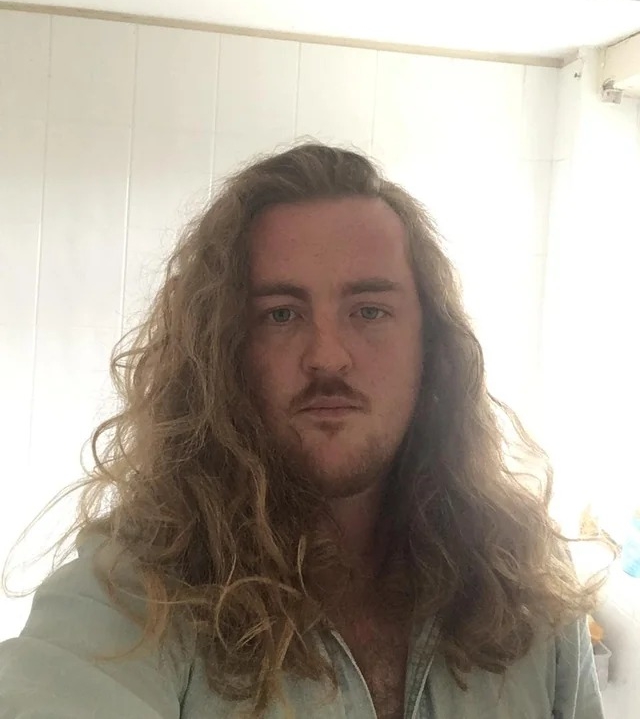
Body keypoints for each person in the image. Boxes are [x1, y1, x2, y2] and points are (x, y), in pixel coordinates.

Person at [0, 143, 604, 719]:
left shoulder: (526, 581)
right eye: (281, 314)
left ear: (432, 344)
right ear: (224, 352)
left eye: (370, 311)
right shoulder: (132, 593)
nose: (328, 356)